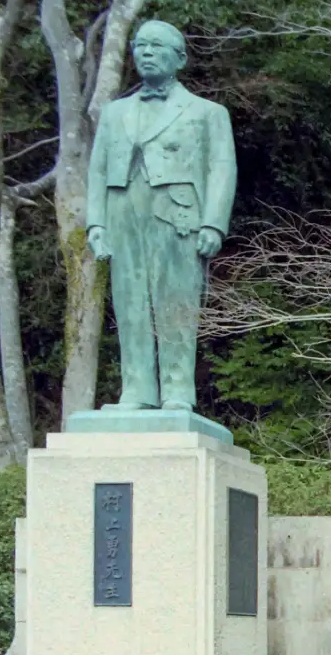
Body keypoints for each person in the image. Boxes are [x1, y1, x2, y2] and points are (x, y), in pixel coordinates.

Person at [85, 20, 236, 412]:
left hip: (178, 213)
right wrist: (96, 223)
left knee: (176, 302)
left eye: (156, 46)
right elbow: (98, 170)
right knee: (129, 302)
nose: (146, 52)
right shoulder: (114, 113)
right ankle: (136, 390)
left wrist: (214, 223)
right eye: (140, 46)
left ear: (180, 57)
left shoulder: (208, 112)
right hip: (122, 211)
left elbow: (221, 168)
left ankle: (177, 390)